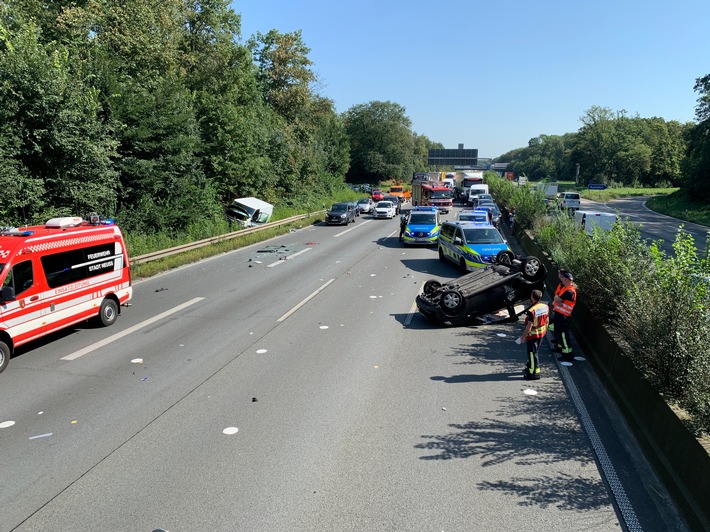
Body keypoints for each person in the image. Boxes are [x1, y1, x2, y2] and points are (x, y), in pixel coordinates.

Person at [519, 289, 549, 380]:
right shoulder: (545, 306)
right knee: (535, 352)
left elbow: (530, 325)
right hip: (541, 333)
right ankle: (531, 368)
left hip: (533, 335)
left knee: (532, 354)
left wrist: (523, 336)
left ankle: (533, 373)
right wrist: (545, 330)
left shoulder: (531, 311)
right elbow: (547, 320)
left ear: (532, 297)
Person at [549, 269, 577, 361]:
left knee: (564, 335)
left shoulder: (570, 291)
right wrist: (558, 299)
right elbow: (557, 297)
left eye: (564, 279)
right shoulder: (565, 288)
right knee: (559, 332)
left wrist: (558, 299)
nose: (562, 280)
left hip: (563, 316)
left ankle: (567, 354)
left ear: (568, 280)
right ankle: (560, 347)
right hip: (560, 314)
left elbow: (558, 299)